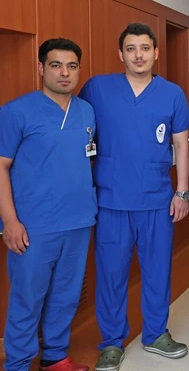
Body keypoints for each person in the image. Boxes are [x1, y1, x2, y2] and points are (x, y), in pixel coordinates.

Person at [79, 23, 189, 371]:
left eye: (145, 48)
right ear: (121, 54)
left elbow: (181, 145)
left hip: (157, 199)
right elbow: (79, 134)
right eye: (131, 48)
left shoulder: (171, 93)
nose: (138, 55)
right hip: (111, 199)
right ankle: (112, 342)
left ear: (156, 52)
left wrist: (182, 191)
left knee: (157, 270)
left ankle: (156, 333)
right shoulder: (98, 88)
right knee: (111, 274)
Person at [0, 38, 96, 371]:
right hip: (34, 224)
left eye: (72, 66)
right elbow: (1, 166)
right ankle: (17, 363)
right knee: (27, 298)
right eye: (56, 65)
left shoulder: (86, 111)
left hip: (79, 220)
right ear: (41, 68)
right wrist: (10, 222)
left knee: (66, 295)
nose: (64, 73)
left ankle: (55, 356)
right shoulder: (16, 112)